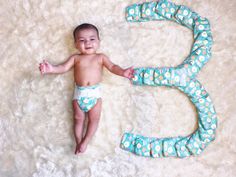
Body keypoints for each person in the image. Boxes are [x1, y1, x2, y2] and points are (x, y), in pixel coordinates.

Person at [39, 23, 134, 154]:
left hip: (95, 95)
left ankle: (86, 140)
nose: (87, 43)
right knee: (78, 120)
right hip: (79, 95)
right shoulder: (75, 58)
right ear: (76, 44)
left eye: (92, 39)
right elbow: (63, 68)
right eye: (82, 40)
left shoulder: (101, 57)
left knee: (94, 120)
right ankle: (78, 142)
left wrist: (123, 72)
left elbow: (112, 67)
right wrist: (51, 69)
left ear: (99, 42)